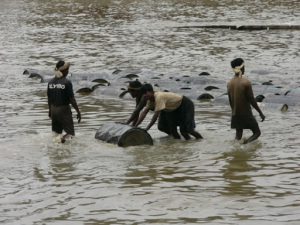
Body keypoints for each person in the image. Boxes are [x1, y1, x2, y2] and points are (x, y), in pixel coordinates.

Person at [135, 84, 203, 140]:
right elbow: (144, 113)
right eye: (143, 95)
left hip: (185, 104)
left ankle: (200, 140)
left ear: (150, 91)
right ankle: (185, 144)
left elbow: (155, 116)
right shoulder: (150, 100)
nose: (144, 96)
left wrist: (147, 128)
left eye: (145, 94)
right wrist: (135, 126)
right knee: (173, 131)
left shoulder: (159, 97)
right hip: (172, 109)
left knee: (187, 130)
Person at [227, 58, 265, 144]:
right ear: (242, 68)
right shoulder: (246, 82)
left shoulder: (229, 83)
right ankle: (245, 144)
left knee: (238, 135)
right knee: (257, 132)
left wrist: (234, 112)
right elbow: (252, 100)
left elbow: (230, 101)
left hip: (235, 113)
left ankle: (235, 151)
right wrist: (260, 113)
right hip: (246, 113)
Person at [47, 60, 81, 143]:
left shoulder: (50, 82)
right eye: (68, 69)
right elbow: (71, 99)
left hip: (54, 110)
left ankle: (57, 150)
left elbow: (49, 98)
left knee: (56, 134)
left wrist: (50, 111)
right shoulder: (67, 82)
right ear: (64, 71)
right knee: (70, 134)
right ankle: (63, 140)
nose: (68, 71)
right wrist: (78, 111)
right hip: (64, 110)